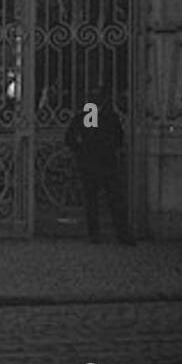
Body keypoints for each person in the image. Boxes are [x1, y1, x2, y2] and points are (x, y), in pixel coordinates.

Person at [64, 84, 134, 245]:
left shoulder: (83, 116)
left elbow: (69, 138)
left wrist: (81, 150)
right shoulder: (109, 117)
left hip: (89, 163)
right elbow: (119, 138)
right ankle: (121, 233)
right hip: (106, 162)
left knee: (93, 201)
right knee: (113, 199)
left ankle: (96, 234)